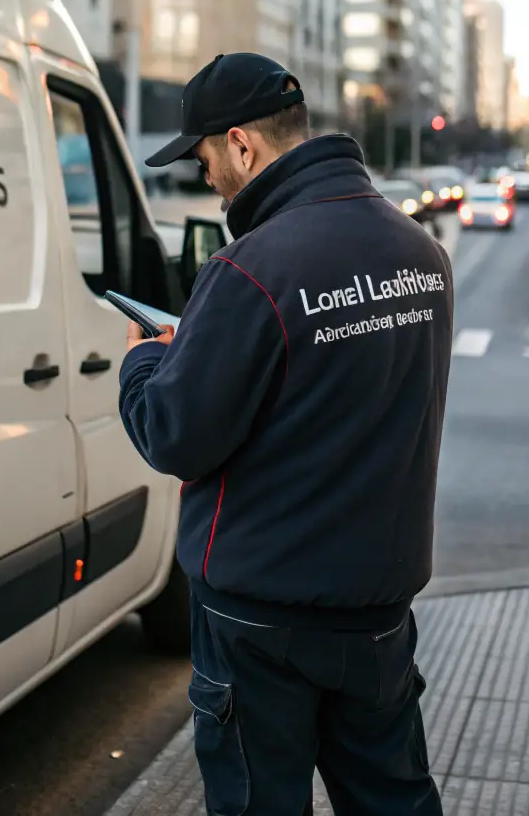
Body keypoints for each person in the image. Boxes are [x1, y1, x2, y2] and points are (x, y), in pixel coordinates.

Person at [119, 52, 452, 816]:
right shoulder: (420, 253)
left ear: (242, 144)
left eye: (203, 157)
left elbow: (174, 434)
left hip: (261, 621)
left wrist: (144, 365)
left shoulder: (251, 268)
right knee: (393, 800)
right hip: (377, 612)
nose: (206, 177)